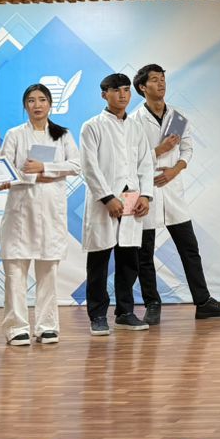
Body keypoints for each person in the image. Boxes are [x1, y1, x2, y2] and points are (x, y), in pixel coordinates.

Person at [128, 64, 220, 325]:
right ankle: (152, 304)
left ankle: (203, 302)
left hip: (173, 188)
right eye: (155, 80)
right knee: (145, 254)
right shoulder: (133, 121)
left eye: (163, 79)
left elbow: (187, 149)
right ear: (142, 87)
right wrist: (160, 150)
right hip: (146, 189)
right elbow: (130, 159)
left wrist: (175, 170)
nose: (161, 84)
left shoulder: (177, 116)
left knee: (189, 249)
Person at [0, 83, 81, 346]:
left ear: (50, 104)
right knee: (16, 272)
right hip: (21, 212)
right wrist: (33, 177)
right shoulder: (14, 134)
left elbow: (76, 165)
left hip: (50, 212)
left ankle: (47, 325)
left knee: (48, 272)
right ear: (25, 105)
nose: (37, 105)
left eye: (42, 99)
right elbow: (4, 169)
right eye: (32, 100)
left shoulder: (63, 134)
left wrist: (45, 168)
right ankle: (16, 327)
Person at [80, 73, 155, 336]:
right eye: (116, 90)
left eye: (126, 90)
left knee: (128, 260)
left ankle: (125, 312)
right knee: (99, 261)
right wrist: (107, 197)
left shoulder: (136, 127)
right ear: (104, 94)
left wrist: (146, 195)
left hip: (132, 200)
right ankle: (98, 315)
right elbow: (89, 166)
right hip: (105, 201)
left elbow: (146, 163)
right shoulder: (92, 126)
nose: (122, 95)